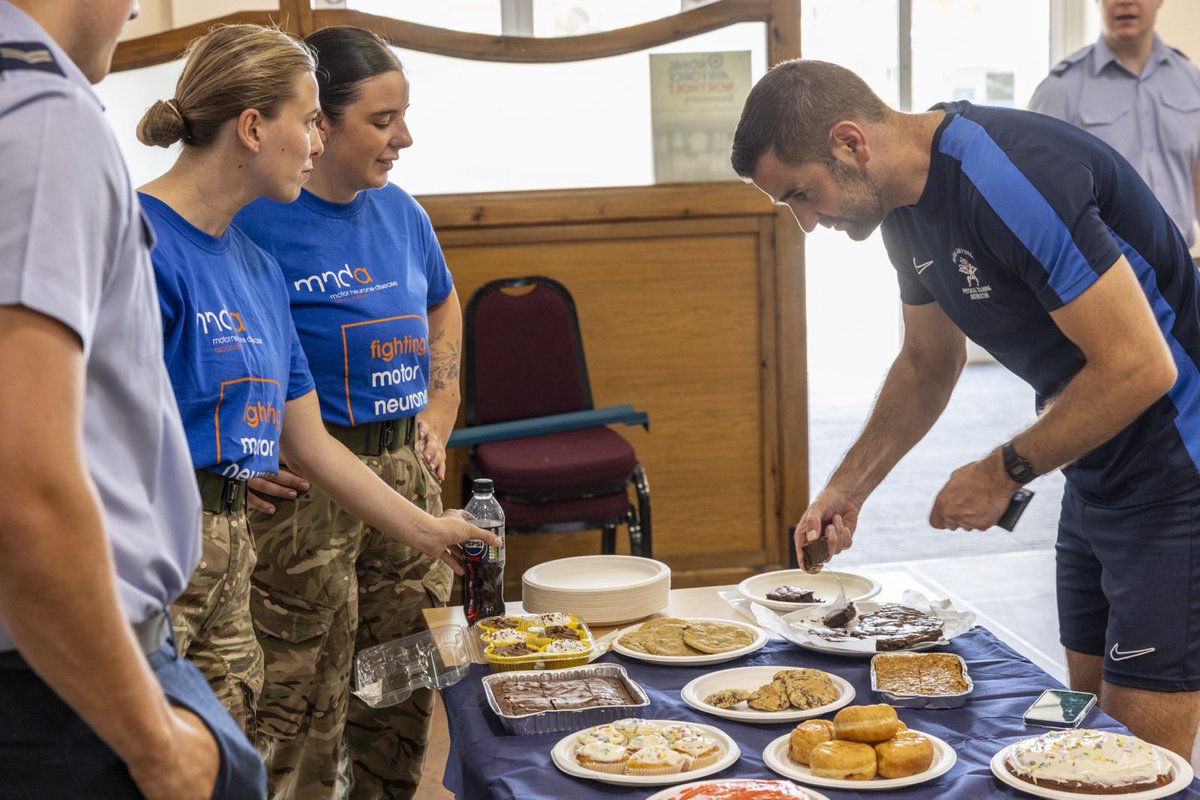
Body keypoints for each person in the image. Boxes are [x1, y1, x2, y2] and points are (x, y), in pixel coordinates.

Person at [731, 59, 1200, 758]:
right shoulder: (900, 210)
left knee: (1135, 759)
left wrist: (1002, 470)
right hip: (1095, 463)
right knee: (1083, 723)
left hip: (1178, 466)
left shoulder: (1009, 178)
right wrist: (846, 488)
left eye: (801, 193)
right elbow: (928, 361)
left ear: (851, 143)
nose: (804, 221)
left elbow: (1141, 365)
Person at [135, 22, 495, 755]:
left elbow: (306, 436)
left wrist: (430, 526)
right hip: (166, 546)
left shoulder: (255, 266)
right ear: (254, 128)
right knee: (222, 741)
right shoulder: (141, 241)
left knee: (270, 739)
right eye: (309, 123)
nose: (317, 142)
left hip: (251, 541)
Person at [0, 1, 262, 797]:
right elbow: (23, 487)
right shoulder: (40, 116)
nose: (139, 6)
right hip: (63, 678)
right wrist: (155, 745)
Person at [233, 26, 463, 799]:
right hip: (305, 490)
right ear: (319, 125)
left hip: (405, 472)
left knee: (403, 681)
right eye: (382, 120)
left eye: (405, 116)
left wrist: (441, 404)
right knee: (300, 699)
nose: (404, 138)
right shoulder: (254, 218)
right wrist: (238, 450)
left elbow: (443, 304)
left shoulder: (402, 214)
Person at [1029, 0, 1200, 253]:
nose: (1125, 2)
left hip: (1181, 263)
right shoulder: (1060, 89)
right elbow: (1039, 199)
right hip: (1103, 266)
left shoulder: (1191, 79)